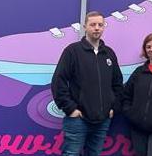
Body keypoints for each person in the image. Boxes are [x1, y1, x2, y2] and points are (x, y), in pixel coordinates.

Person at [51, 11, 123, 156]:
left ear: (104, 27)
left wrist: (113, 107)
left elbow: (118, 84)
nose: (97, 28)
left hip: (102, 120)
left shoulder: (109, 53)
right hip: (77, 120)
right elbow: (58, 81)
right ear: (85, 27)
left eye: (100, 25)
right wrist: (70, 109)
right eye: (93, 25)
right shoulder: (72, 51)